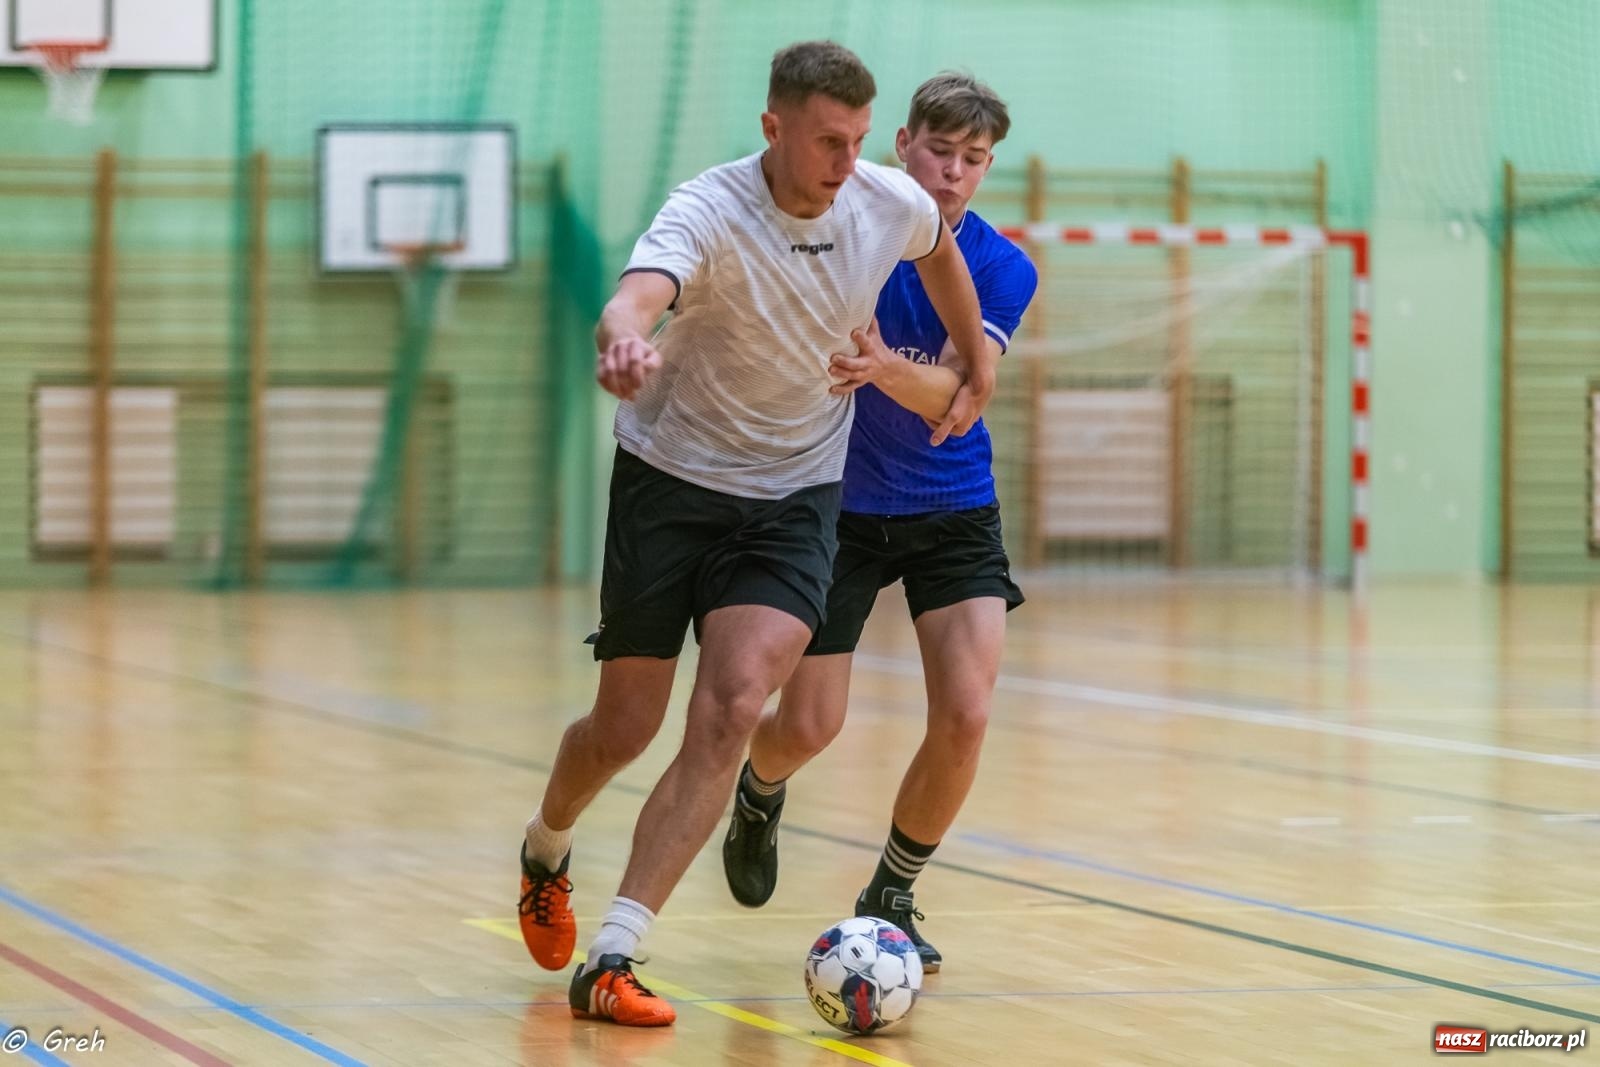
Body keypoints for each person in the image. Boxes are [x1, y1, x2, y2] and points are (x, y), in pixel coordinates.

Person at [515, 42, 993, 1027]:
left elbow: (938, 251)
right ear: (773, 127)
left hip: (794, 495)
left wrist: (974, 367)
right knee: (625, 725)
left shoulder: (881, 198)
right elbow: (632, 297)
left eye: (859, 142)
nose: (844, 161)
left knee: (734, 704)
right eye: (827, 140)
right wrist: (622, 343)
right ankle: (546, 842)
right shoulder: (709, 208)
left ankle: (614, 953)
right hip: (670, 482)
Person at [721, 72, 1036, 975]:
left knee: (968, 713)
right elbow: (932, 381)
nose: (953, 174)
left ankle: (892, 890)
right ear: (901, 144)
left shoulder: (1002, 268)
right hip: (838, 504)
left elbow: (961, 399)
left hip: (952, 505)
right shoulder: (839, 233)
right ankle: (760, 786)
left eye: (974, 161)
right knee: (812, 723)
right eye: (940, 152)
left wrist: (882, 365)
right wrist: (916, 377)